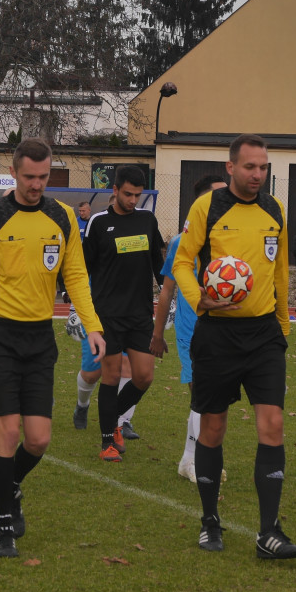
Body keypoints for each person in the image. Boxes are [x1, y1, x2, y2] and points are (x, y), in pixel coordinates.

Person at [0, 138, 104, 558]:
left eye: (43, 176)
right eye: (29, 176)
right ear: (13, 173)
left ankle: (11, 485)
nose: (36, 184)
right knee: (9, 433)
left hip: (39, 339)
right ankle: (3, 527)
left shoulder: (63, 216)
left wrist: (93, 327)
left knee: (39, 441)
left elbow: (78, 277)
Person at [172, 134, 296, 560]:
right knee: (213, 429)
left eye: (263, 167)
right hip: (218, 335)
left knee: (273, 426)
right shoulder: (206, 208)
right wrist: (199, 299)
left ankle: (270, 532)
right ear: (231, 168)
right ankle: (210, 520)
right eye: (250, 167)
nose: (257, 175)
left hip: (264, 335)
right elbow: (181, 263)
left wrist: (282, 325)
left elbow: (280, 271)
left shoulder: (275, 210)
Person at [82, 166, 164, 462]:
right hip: (108, 314)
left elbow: (158, 263)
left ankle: (111, 417)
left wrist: (168, 295)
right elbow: (83, 268)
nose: (132, 200)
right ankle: (107, 442)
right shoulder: (98, 222)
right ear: (114, 190)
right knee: (111, 376)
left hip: (140, 314)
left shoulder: (147, 220)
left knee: (144, 376)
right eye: (127, 194)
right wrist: (80, 308)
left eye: (137, 195)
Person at [151, 174, 227, 482]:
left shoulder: (228, 238)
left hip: (225, 330)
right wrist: (157, 334)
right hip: (190, 330)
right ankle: (197, 461)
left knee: (214, 398)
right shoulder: (182, 243)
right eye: (220, 197)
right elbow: (167, 290)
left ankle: (189, 459)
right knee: (202, 394)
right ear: (202, 203)